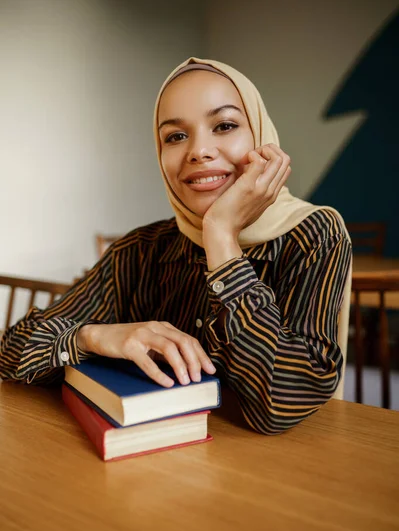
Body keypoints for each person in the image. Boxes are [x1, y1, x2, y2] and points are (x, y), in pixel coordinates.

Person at [0, 57, 352, 435]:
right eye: (175, 136)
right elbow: (10, 351)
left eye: (225, 125)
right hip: (155, 462)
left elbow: (280, 405)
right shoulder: (140, 249)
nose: (199, 151)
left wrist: (220, 236)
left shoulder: (315, 232)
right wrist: (93, 336)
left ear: (262, 141)